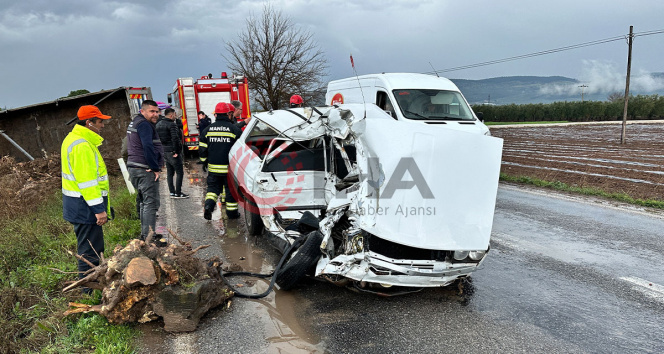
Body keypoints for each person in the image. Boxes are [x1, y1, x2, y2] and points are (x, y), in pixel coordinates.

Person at [61, 105, 112, 292]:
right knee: (90, 251)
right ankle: (88, 292)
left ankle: (91, 287)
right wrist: (99, 209)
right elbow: (87, 182)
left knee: (90, 248)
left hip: (79, 205)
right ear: (89, 123)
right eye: (100, 122)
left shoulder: (75, 139)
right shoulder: (82, 145)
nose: (103, 125)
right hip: (85, 207)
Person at [126, 100, 164, 240]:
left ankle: (145, 236)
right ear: (143, 111)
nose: (155, 114)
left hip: (134, 167)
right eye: (151, 111)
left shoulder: (136, 122)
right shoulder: (145, 125)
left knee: (143, 201)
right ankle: (149, 237)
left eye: (156, 111)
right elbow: (148, 146)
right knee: (151, 203)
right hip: (144, 169)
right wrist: (154, 167)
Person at [199, 102, 242, 220]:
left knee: (212, 190)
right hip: (230, 169)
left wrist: (204, 162)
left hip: (213, 168)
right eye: (232, 114)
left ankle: (208, 206)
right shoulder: (234, 130)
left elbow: (202, 149)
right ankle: (232, 214)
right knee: (230, 191)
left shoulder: (207, 130)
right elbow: (241, 150)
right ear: (228, 114)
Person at [156, 108, 188, 199]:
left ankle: (172, 192)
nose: (175, 116)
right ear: (171, 115)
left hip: (164, 151)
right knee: (179, 172)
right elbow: (175, 139)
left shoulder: (158, 124)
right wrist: (177, 151)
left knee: (170, 173)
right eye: (174, 114)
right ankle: (178, 193)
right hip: (172, 152)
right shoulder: (171, 125)